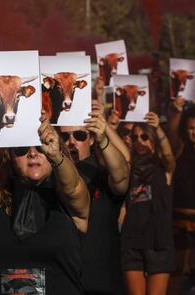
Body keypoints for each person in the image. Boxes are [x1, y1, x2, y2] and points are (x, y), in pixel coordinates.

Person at [0, 114, 90, 294]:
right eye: (21, 148)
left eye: (40, 146)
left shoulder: (69, 204)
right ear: (10, 157)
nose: (33, 153)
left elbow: (73, 187)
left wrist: (56, 155)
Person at [60, 101, 130, 295]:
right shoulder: (50, 179)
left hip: (101, 283)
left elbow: (123, 171)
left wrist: (104, 133)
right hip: (63, 282)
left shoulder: (103, 176)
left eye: (80, 135)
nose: (71, 142)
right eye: (65, 136)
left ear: (91, 140)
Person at [121, 112, 175, 295]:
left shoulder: (164, 169)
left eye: (144, 137)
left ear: (152, 140)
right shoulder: (128, 169)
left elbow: (168, 154)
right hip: (132, 243)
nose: (139, 141)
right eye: (135, 137)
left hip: (159, 242)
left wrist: (158, 128)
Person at [166, 97, 195, 292]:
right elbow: (172, 135)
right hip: (178, 222)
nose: (194, 132)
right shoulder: (181, 148)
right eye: (191, 128)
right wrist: (176, 112)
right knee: (177, 274)